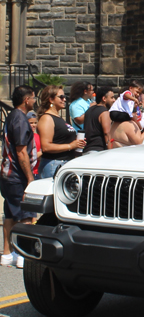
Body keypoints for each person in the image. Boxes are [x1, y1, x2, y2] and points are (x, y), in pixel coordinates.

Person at [1, 85, 37, 269]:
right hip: (17, 175)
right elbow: (21, 151)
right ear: (26, 100)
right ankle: (24, 255)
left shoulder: (11, 117)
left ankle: (7, 254)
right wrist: (30, 178)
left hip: (8, 174)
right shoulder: (21, 120)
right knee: (26, 216)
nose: (35, 101)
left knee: (10, 214)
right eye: (33, 97)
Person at [37, 85, 86, 178]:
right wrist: (71, 145)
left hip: (64, 164)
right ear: (51, 99)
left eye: (65, 97)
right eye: (61, 97)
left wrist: (76, 142)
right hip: (54, 164)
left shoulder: (58, 118)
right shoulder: (47, 118)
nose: (64, 100)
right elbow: (46, 147)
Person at [82, 86, 115, 154]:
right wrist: (111, 152)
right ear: (104, 98)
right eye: (112, 97)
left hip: (87, 150)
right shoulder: (104, 112)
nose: (114, 100)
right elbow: (107, 133)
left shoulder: (89, 110)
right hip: (98, 151)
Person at [26, 111, 42, 179]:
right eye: (31, 123)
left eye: (35, 123)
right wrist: (41, 153)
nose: (34, 125)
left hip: (38, 171)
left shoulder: (38, 136)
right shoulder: (25, 137)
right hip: (30, 172)